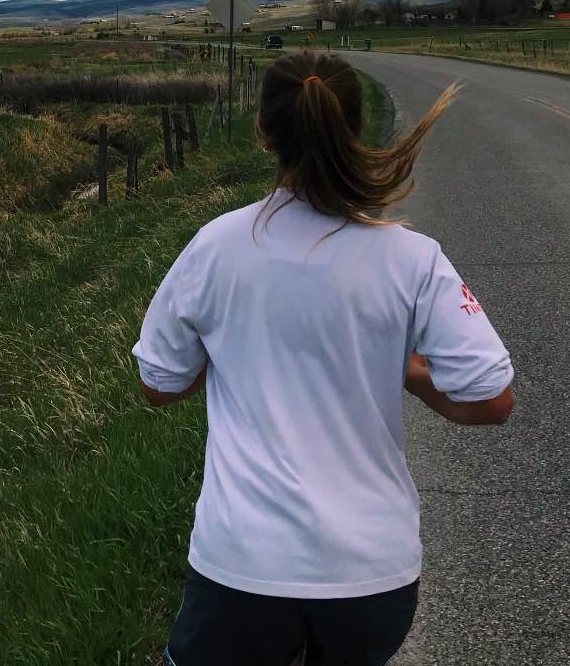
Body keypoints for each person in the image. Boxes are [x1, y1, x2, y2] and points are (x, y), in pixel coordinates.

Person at [133, 51, 515, 666]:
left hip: (241, 566)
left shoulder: (214, 247)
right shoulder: (413, 258)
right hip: (372, 572)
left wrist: (229, 350)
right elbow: (491, 401)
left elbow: (159, 384)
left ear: (263, 133)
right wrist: (405, 368)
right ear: (354, 128)